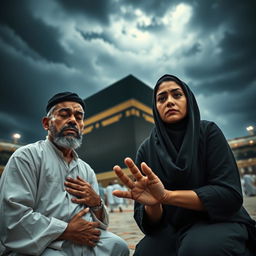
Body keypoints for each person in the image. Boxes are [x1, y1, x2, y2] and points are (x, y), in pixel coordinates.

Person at [113, 75, 256, 256]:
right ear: (155, 108)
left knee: (198, 249)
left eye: (177, 95)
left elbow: (229, 195)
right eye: (162, 98)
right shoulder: (147, 149)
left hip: (218, 220)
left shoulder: (208, 133)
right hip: (172, 226)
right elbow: (149, 223)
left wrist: (167, 196)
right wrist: (153, 205)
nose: (170, 102)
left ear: (189, 100)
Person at [0, 92, 129, 256]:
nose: (73, 121)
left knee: (119, 246)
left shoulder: (86, 169)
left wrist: (96, 203)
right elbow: (13, 219)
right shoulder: (26, 157)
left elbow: (100, 225)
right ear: (46, 123)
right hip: (41, 243)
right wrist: (65, 230)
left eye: (79, 117)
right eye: (64, 114)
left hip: (82, 240)